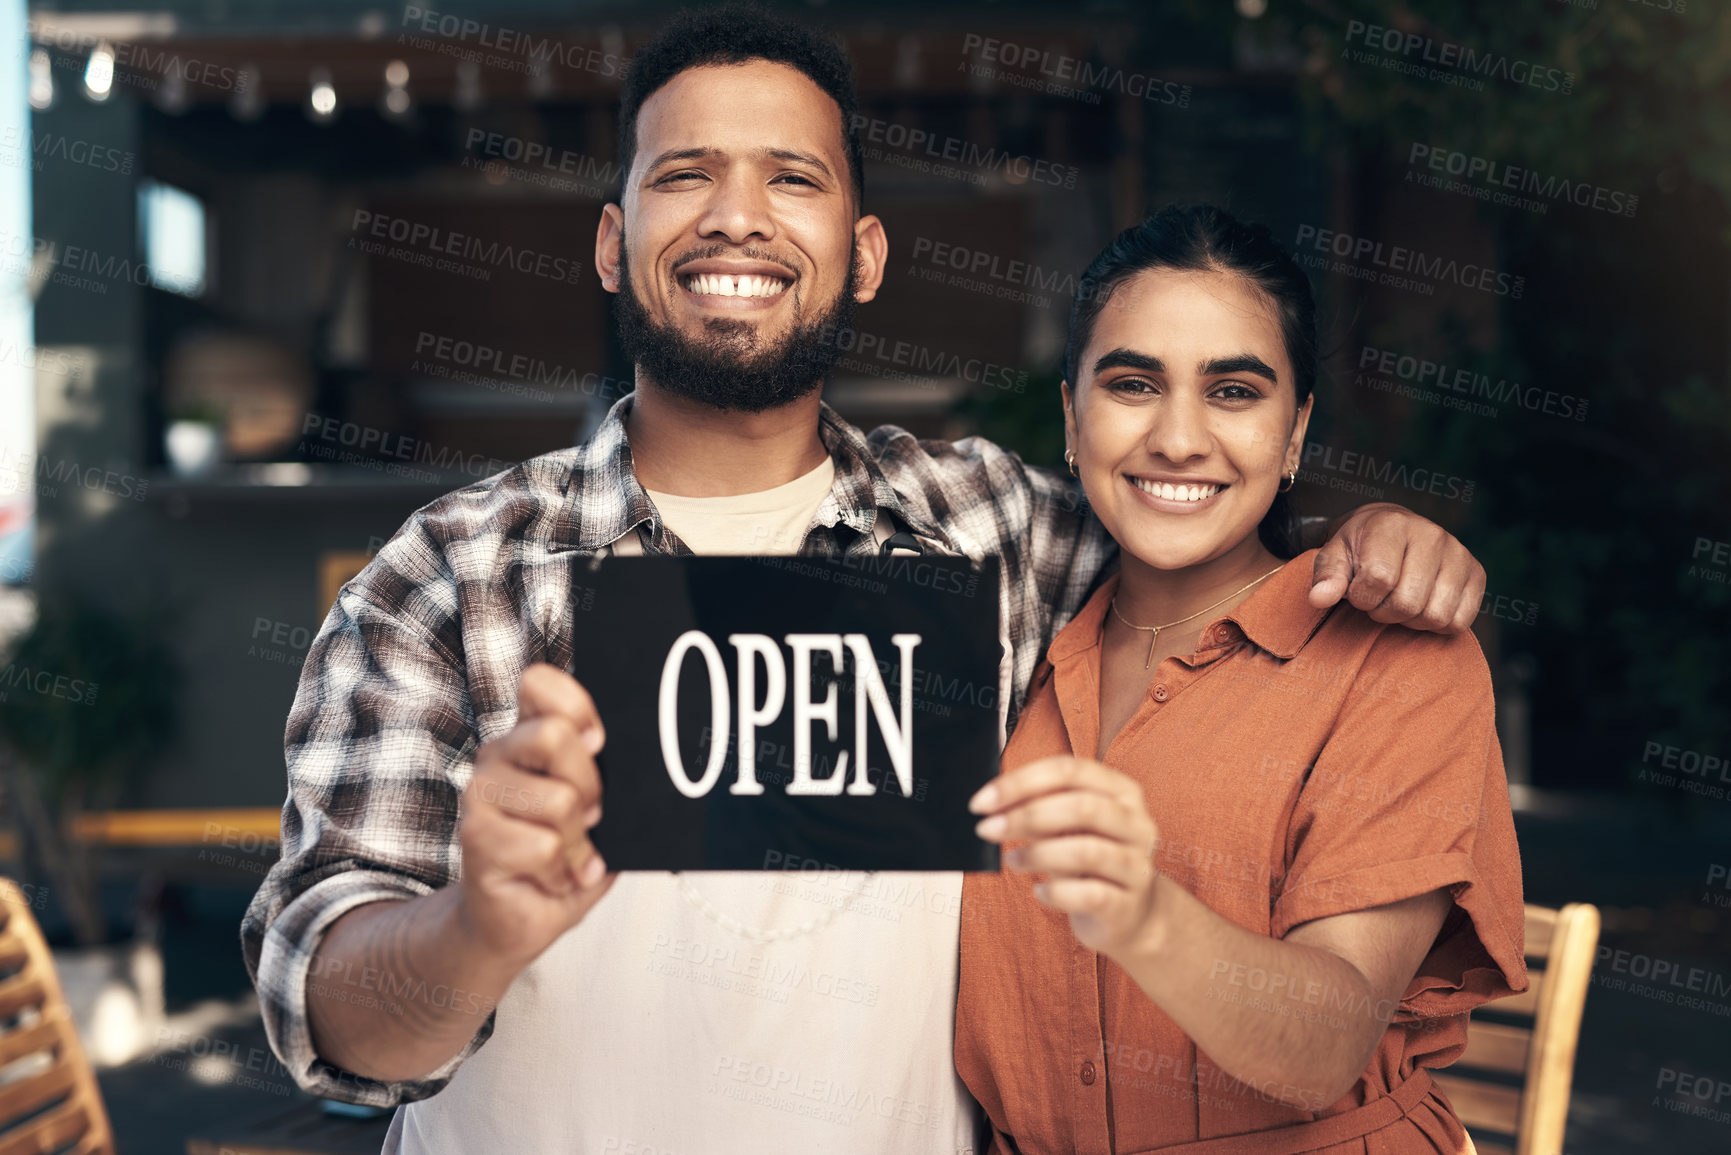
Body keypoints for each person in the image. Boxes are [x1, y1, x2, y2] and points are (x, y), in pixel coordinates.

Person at [239, 9, 1490, 1153]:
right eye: (685, 175)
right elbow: (335, 1024)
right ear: (614, 246)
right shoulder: (452, 573)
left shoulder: (991, 531)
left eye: (795, 179)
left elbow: (1184, 501)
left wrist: (1368, 534)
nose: (738, 217)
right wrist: (475, 931)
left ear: (866, 252)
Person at [957, 204, 1526, 1153]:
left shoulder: (1394, 658)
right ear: (1071, 416)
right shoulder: (1009, 639)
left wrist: (1139, 909)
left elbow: (1323, 1044)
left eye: (1233, 392)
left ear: (1295, 430)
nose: (1178, 439)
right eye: (1133, 382)